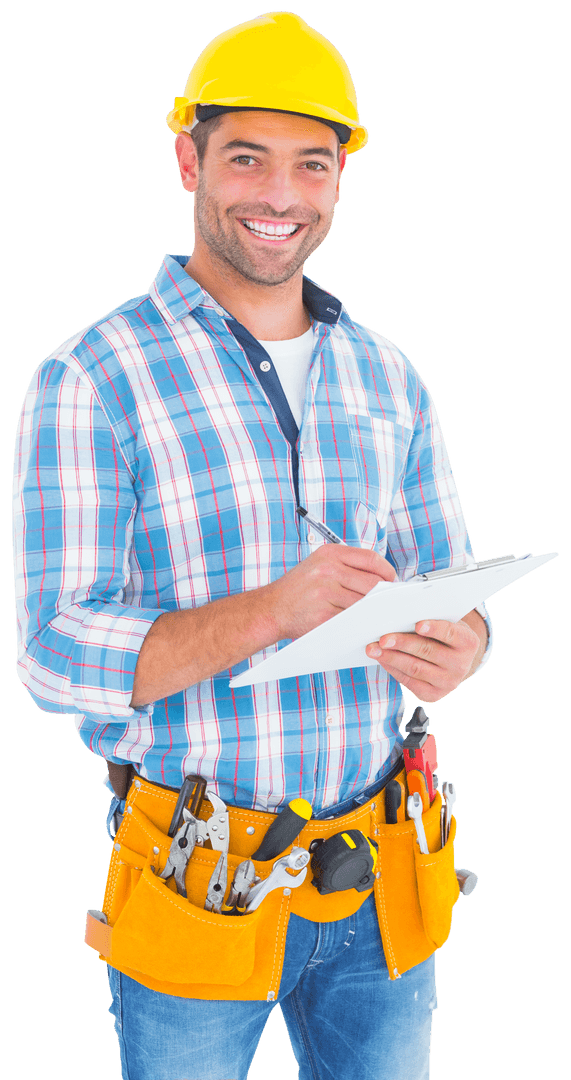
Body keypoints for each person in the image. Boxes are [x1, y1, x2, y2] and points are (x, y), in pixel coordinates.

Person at [12, 12, 492, 1080]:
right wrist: (270, 611)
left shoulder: (388, 376)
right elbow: (51, 653)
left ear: (337, 180)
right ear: (188, 160)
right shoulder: (92, 376)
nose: (280, 195)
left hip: (381, 876)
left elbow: (451, 590)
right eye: (246, 158)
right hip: (198, 881)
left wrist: (465, 644)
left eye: (310, 165)